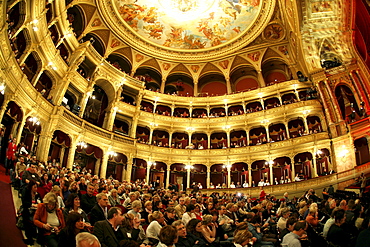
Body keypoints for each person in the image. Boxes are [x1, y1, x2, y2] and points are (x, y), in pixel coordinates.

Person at [21, 180, 41, 245]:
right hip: (27, 209)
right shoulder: (26, 192)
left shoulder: (37, 194)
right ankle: (29, 238)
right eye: (35, 187)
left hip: (35, 210)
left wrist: (38, 204)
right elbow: (24, 202)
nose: (36, 189)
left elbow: (40, 200)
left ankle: (36, 236)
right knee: (28, 220)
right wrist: (32, 205)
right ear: (31, 187)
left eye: (36, 187)